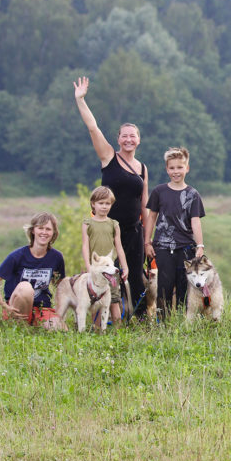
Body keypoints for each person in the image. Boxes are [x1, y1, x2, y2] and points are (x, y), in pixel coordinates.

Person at [74, 76, 148, 316]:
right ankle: (102, 320)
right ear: (118, 139)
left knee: (135, 275)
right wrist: (81, 100)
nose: (128, 139)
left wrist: (147, 239)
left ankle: (137, 320)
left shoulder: (143, 168)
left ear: (138, 139)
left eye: (132, 136)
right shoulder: (108, 157)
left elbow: (144, 204)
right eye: (124, 136)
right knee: (104, 275)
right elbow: (93, 127)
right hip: (107, 229)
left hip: (134, 231)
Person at [143, 147, 205, 317]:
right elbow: (152, 217)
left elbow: (195, 221)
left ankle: (181, 321)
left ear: (187, 168)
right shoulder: (159, 192)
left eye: (179, 167)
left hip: (186, 248)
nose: (176, 171)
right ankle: (162, 322)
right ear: (166, 169)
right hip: (162, 247)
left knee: (184, 287)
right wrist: (147, 242)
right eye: (172, 168)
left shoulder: (193, 194)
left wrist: (200, 245)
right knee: (165, 286)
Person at [0, 212, 66, 330]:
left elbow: (61, 286)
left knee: (60, 329)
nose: (44, 232)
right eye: (40, 228)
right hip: (18, 307)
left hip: (41, 308)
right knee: (26, 288)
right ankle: (20, 326)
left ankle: (35, 325)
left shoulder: (56, 257)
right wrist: (4, 305)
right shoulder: (17, 256)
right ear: (33, 231)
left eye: (48, 229)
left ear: (53, 233)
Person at [82, 186, 129, 328]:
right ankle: (96, 331)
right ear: (93, 204)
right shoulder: (87, 223)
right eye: (101, 203)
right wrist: (88, 265)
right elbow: (85, 246)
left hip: (110, 269)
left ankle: (117, 331)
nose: (104, 207)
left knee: (114, 300)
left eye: (107, 203)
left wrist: (125, 266)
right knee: (94, 300)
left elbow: (119, 247)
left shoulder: (114, 224)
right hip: (95, 269)